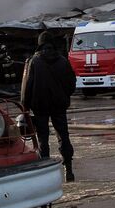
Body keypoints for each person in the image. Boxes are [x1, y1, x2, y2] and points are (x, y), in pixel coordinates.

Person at [20, 30, 78, 182]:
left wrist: (24, 106)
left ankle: (46, 173)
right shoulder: (63, 61)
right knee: (63, 137)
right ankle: (69, 170)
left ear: (40, 45)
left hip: (40, 107)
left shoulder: (34, 62)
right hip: (59, 106)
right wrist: (64, 96)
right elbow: (72, 84)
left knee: (43, 139)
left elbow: (27, 87)